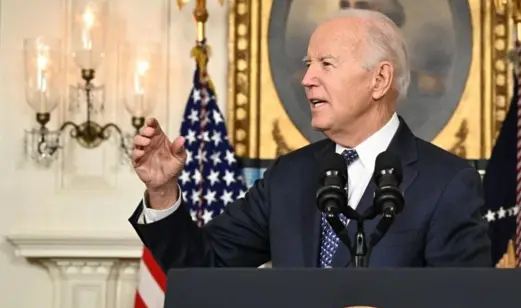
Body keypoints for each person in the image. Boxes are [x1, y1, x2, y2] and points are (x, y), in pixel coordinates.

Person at [128, 9, 491, 270]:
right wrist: (162, 192)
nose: (307, 79)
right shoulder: (289, 176)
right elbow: (202, 265)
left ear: (379, 80)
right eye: (307, 63)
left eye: (326, 64)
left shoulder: (447, 182)